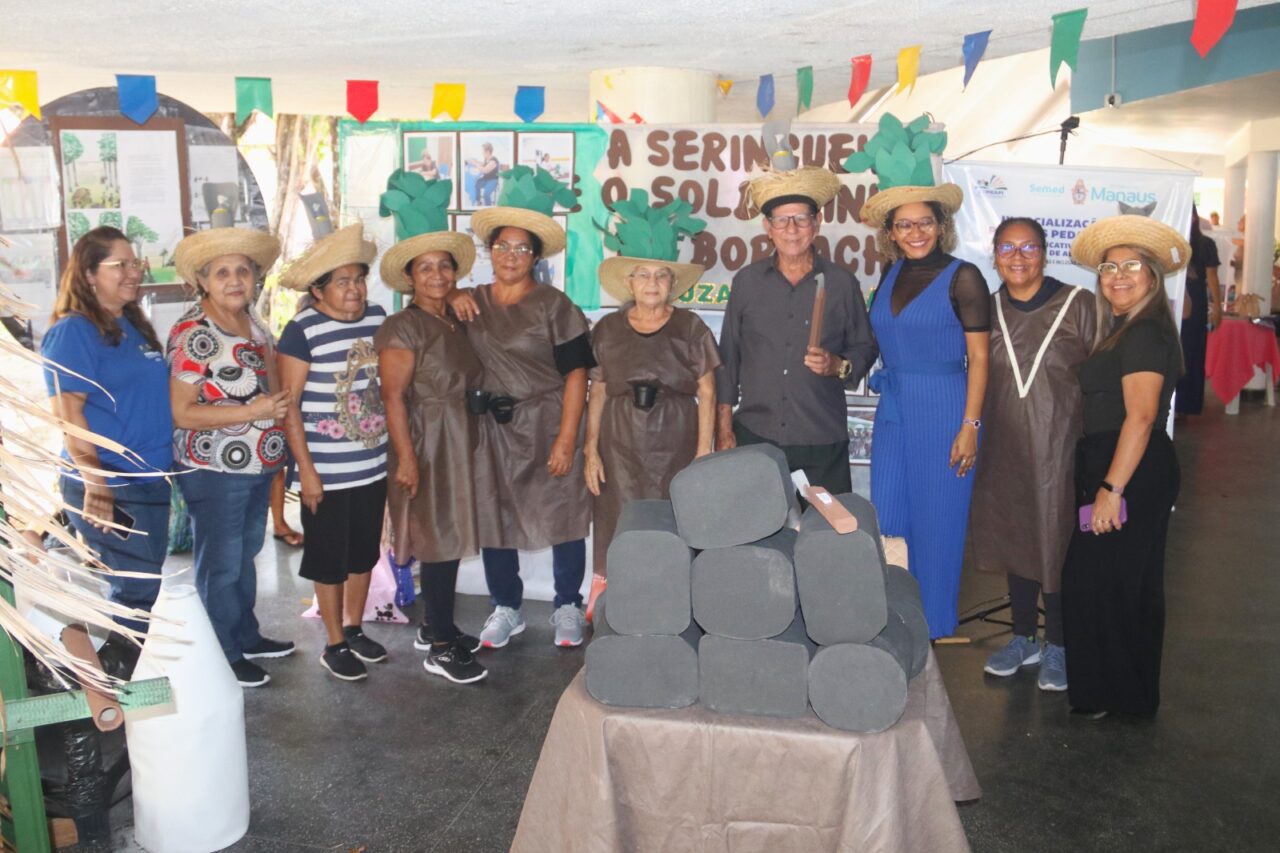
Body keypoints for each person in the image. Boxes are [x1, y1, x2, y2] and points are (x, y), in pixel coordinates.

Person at [449, 167, 593, 649]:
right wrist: (451, 295)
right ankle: (506, 606)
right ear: (490, 252)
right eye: (502, 247)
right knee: (495, 516)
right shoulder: (469, 303)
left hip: (547, 421)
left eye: (521, 248)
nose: (511, 256)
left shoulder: (556, 305)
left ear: (535, 256)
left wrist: (567, 438)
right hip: (490, 428)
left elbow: (577, 374)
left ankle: (567, 604)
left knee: (563, 512)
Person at [859, 156, 990, 641]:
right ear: (890, 232)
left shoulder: (964, 278)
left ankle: (933, 628)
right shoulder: (889, 275)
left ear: (941, 226)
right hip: (893, 411)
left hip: (946, 407)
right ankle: (895, 621)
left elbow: (980, 359)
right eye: (904, 224)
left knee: (939, 522)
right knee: (889, 517)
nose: (916, 232)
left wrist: (970, 427)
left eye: (925, 222)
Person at [1061, 215, 1186, 719]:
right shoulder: (1126, 327)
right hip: (1120, 462)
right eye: (1110, 267)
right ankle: (1127, 696)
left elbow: (1142, 414)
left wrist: (1111, 488)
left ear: (1153, 276)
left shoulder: (1145, 333)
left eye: (1131, 265)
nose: (1118, 275)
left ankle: (1112, 694)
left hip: (1128, 466)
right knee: (1123, 584)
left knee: (1097, 583)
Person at [969, 218, 1095, 691]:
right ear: (995, 253)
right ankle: (1023, 636)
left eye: (1028, 248)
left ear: (1045, 253)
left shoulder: (1078, 305)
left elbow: (1104, 377)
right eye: (1007, 247)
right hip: (1004, 443)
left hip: (1062, 444)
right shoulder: (986, 308)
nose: (1017, 257)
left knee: (1056, 540)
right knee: (1016, 535)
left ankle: (1059, 644)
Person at [375, 171, 490, 684]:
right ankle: (440, 645)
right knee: (439, 537)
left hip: (458, 436)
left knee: (449, 532)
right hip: (425, 439)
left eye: (445, 267)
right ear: (409, 277)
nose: (439, 275)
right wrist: (406, 458)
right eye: (427, 269)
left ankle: (437, 624)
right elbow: (393, 396)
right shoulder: (401, 327)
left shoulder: (454, 317)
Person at [716, 135, 877, 493]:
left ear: (816, 225)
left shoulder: (840, 283)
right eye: (782, 221)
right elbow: (728, 357)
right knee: (755, 539)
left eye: (801, 220)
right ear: (767, 229)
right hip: (755, 437)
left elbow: (865, 347)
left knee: (823, 540)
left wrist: (838, 365)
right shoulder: (746, 282)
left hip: (821, 437)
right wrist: (724, 428)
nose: (792, 229)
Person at [168, 227, 293, 688]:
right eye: (222, 272)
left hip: (257, 465)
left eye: (243, 270)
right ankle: (222, 652)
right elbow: (181, 413)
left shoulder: (254, 323)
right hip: (214, 469)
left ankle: (246, 635)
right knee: (220, 562)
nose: (235, 280)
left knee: (245, 553)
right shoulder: (193, 331)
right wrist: (253, 410)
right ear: (202, 281)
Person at [41, 226, 172, 632]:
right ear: (89, 273)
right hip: (112, 484)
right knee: (133, 595)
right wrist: (95, 482)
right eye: (121, 264)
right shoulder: (73, 332)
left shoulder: (131, 324)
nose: (134, 272)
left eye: (136, 263)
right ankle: (114, 687)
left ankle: (126, 684)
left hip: (149, 480)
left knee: (143, 589)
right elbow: (68, 415)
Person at [585, 193, 719, 583]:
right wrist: (590, 449)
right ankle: (622, 606)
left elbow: (707, 391)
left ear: (672, 283)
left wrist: (702, 454)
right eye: (643, 274)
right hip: (619, 444)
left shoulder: (690, 326)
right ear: (628, 282)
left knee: (673, 524)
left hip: (676, 442)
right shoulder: (607, 329)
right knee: (620, 523)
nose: (652, 283)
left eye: (661, 275)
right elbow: (599, 390)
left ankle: (672, 607)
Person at [276, 224, 389, 682]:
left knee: (364, 553)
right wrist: (307, 471)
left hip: (372, 464)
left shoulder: (378, 318)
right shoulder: (302, 330)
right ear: (318, 290)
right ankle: (334, 642)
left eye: (359, 279)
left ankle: (355, 627)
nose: (355, 290)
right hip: (325, 471)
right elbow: (289, 408)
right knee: (328, 558)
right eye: (342, 282)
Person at [1175, 205, 1222, 416]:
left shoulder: (1206, 244)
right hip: (1174, 299)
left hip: (1196, 301)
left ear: (1194, 217)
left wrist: (1218, 308)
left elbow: (1212, 277)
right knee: (1176, 350)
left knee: (1192, 351)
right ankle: (1175, 404)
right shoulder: (1173, 242)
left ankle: (1187, 404)